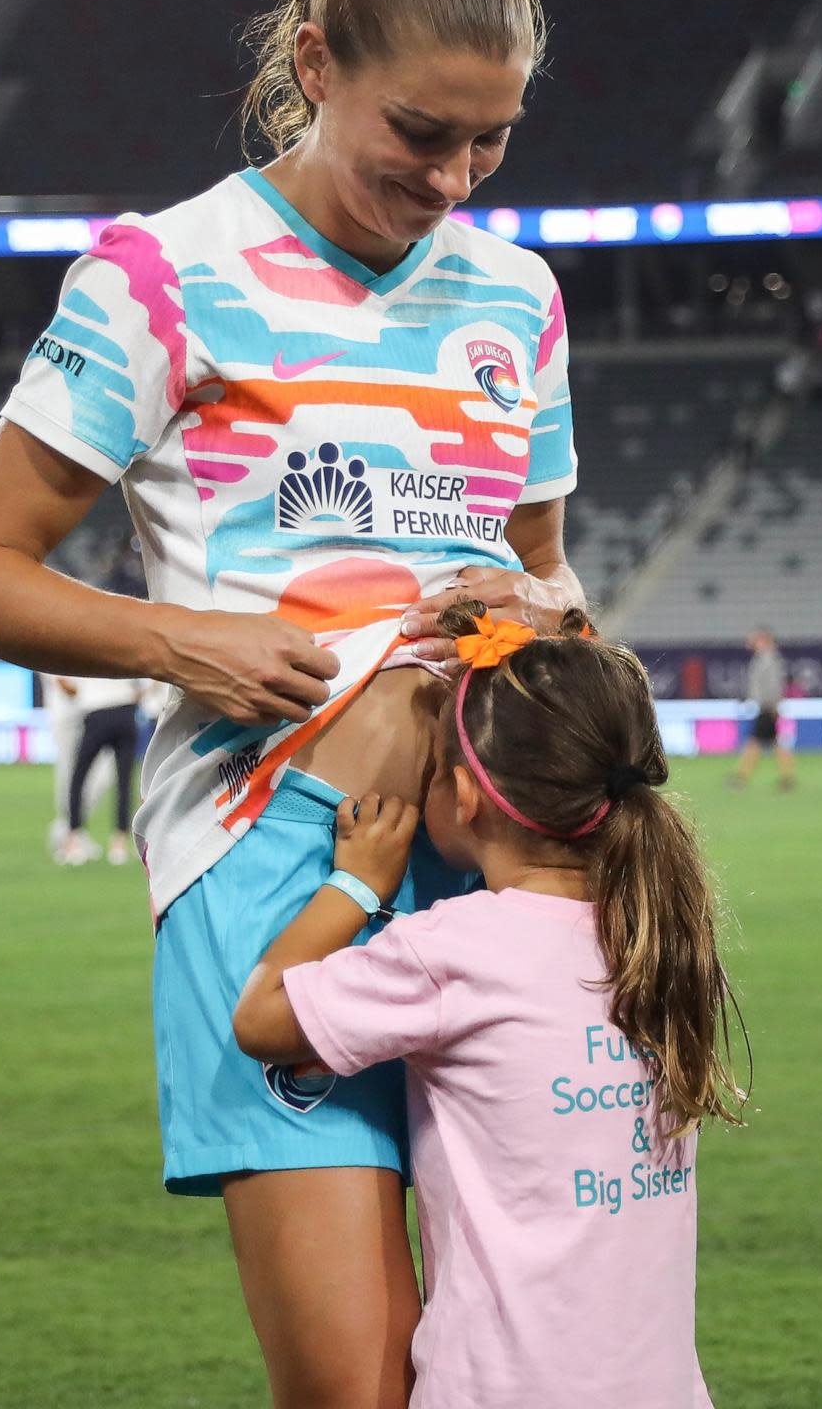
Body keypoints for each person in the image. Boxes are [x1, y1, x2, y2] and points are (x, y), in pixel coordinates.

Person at [0, 0, 580, 1409]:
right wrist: (185, 642)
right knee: (356, 1388)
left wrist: (539, 615)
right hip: (269, 857)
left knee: (521, 1370)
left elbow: (554, 583)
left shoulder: (519, 300)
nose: (454, 183)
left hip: (497, 854)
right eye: (419, 134)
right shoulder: (162, 274)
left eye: (489, 142)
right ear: (313, 67)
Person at [235, 603, 743, 1408]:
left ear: (464, 795)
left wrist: (354, 883)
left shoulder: (455, 951)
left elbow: (261, 1020)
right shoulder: (660, 936)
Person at [59, 674, 143, 865]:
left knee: (78, 776)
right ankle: (119, 843)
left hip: (97, 711)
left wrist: (84, 694)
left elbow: (67, 684)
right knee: (124, 781)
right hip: (125, 710)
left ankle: (74, 837)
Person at [42, 671, 116, 862]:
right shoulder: (50, 645)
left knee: (104, 775)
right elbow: (62, 682)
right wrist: (94, 695)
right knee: (69, 778)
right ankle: (70, 833)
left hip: (89, 713)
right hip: (67, 718)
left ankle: (70, 828)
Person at [729, 627, 797, 790]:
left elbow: (772, 686)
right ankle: (787, 777)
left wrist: (771, 704)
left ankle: (741, 777)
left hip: (767, 708)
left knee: (755, 742)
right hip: (766, 707)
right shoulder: (767, 659)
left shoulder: (768, 660)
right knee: (773, 744)